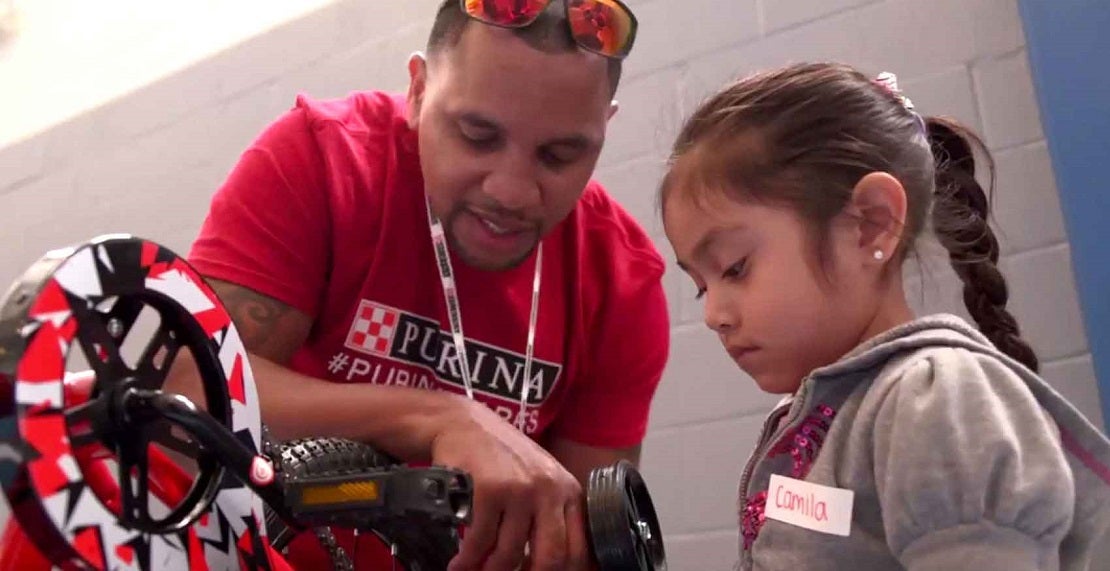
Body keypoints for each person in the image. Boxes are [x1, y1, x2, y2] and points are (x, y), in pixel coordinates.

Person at [179, 1, 669, 570]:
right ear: (417, 90)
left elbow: (576, 536)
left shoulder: (623, 281)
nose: (511, 190)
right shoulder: (322, 159)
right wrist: (437, 419)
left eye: (560, 155)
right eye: (477, 135)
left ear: (605, 126)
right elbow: (192, 389)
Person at [659, 62, 1110, 570]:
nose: (714, 314)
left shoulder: (937, 400)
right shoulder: (831, 414)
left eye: (735, 269)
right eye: (702, 287)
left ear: (870, 224)